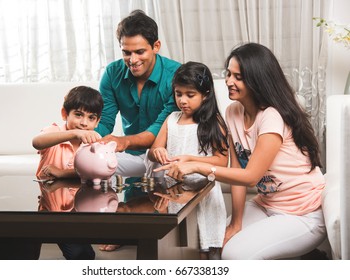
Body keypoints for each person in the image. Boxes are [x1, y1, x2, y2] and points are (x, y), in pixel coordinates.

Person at [155, 43, 327, 260]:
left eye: (238, 77)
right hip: (266, 204)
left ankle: (309, 260)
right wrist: (236, 224)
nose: (228, 81)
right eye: (228, 74)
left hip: (303, 213)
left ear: (257, 80)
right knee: (220, 244)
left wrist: (198, 166)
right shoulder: (233, 112)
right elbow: (236, 170)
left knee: (234, 256)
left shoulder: (272, 116)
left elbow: (251, 177)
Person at [95, 9, 180, 252]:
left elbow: (160, 127)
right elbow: (105, 121)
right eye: (126, 52)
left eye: (139, 51)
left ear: (156, 46)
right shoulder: (112, 73)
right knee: (96, 165)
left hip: (166, 154)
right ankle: (113, 225)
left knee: (159, 230)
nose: (132, 59)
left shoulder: (176, 74)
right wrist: (83, 137)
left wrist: (122, 142)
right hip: (132, 155)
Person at [147, 61, 229, 259]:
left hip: (205, 195)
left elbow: (221, 161)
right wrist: (157, 152)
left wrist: (193, 162)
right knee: (182, 249)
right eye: (178, 94)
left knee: (208, 250)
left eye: (190, 95)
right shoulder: (171, 119)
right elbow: (153, 149)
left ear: (206, 94)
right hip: (176, 194)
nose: (183, 100)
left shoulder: (213, 122)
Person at [32, 85, 103, 260]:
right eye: (78, 114)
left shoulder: (92, 142)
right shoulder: (55, 132)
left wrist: (62, 173)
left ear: (97, 121)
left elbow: (94, 172)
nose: (84, 123)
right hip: (50, 208)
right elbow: (37, 142)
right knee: (30, 241)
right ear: (65, 114)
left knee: (83, 255)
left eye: (91, 118)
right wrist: (73, 134)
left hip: (79, 210)